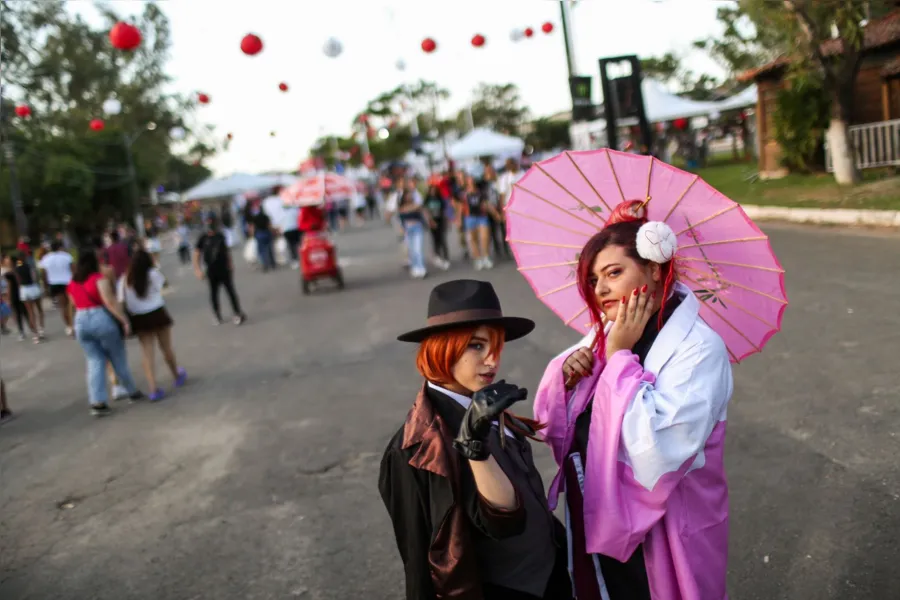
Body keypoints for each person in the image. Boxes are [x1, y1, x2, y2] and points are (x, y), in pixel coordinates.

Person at [533, 200, 734, 599]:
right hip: (602, 504)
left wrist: (619, 359)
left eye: (614, 273)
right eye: (593, 280)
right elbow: (552, 417)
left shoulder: (699, 348)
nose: (601, 289)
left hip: (669, 514)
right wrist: (570, 377)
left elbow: (659, 450)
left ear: (656, 269)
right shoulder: (608, 330)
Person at [379, 279, 573, 600]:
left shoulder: (485, 402)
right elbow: (419, 560)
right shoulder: (413, 449)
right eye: (477, 346)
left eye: (496, 346)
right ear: (442, 346)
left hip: (550, 574)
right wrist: (475, 447)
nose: (493, 360)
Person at [67, 249, 144, 416]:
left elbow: (72, 305)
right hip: (99, 318)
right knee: (118, 357)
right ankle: (132, 391)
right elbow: (109, 302)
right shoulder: (98, 279)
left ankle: (97, 402)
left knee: (94, 361)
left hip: (80, 320)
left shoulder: (72, 283)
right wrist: (124, 320)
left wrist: (72, 326)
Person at [119, 249, 187, 401]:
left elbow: (122, 300)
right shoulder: (152, 273)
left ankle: (153, 388)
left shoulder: (125, 279)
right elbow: (165, 284)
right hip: (157, 313)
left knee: (147, 353)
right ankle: (177, 375)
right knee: (166, 347)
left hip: (139, 318)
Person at [194, 214, 247, 326]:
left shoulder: (220, 236)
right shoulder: (203, 238)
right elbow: (196, 254)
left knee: (230, 291)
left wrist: (230, 263)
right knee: (214, 294)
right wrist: (197, 269)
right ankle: (217, 315)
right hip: (211, 270)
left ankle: (237, 313)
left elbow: (226, 251)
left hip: (223, 269)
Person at [38, 241, 74, 336]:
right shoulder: (66, 256)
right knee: (72, 304)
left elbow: (43, 274)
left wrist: (45, 287)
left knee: (63, 306)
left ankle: (69, 326)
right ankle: (73, 323)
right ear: (59, 247)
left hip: (54, 283)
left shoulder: (46, 258)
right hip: (68, 282)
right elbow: (73, 268)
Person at [11, 253, 44, 342]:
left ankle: (35, 334)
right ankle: (41, 329)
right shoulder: (30, 266)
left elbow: (18, 281)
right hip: (33, 287)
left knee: (30, 312)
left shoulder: (16, 269)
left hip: (24, 289)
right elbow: (35, 278)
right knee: (39, 309)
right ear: (25, 257)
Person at [397, 189, 429, 279]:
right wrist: (402, 231)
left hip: (417, 228)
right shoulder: (401, 208)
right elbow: (401, 220)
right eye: (407, 196)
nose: (409, 197)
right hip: (408, 229)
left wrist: (427, 222)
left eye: (410, 195)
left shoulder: (416, 206)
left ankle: (421, 268)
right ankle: (415, 267)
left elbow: (422, 213)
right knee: (411, 250)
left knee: (418, 249)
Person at [423, 180, 450, 270]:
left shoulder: (440, 199)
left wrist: (447, 222)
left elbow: (444, 211)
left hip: (441, 221)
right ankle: (437, 256)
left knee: (443, 240)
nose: (433, 192)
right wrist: (430, 221)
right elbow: (425, 211)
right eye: (432, 190)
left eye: (435, 190)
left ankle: (446, 258)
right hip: (432, 222)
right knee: (435, 240)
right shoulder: (427, 200)